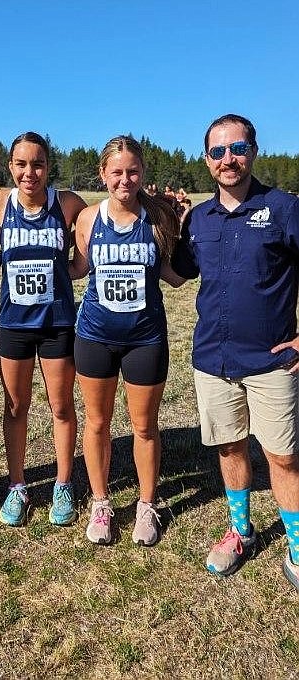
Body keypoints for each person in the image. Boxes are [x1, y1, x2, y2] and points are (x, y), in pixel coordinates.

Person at [170, 113, 299, 590]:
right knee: (230, 446)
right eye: (218, 151)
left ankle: (296, 542)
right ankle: (240, 529)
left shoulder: (284, 208)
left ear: (253, 152)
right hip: (214, 360)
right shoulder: (199, 218)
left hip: (272, 360)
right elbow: (178, 274)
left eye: (237, 148)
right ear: (207, 161)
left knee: (282, 457)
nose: (229, 159)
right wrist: (164, 218)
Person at [70, 135, 179, 545]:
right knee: (97, 422)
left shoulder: (159, 219)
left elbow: (173, 274)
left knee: (144, 426)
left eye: (133, 171)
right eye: (116, 171)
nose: (125, 179)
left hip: (145, 339)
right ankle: (101, 503)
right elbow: (80, 268)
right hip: (95, 336)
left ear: (143, 173)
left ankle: (146, 505)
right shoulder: (87, 220)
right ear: (103, 174)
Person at [0, 131, 86, 527]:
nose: (30, 172)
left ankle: (62, 482)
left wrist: (77, 264)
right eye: (21, 164)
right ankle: (18, 485)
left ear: (48, 166)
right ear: (10, 167)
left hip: (57, 322)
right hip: (13, 324)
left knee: (60, 406)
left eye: (38, 164)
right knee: (15, 406)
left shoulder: (66, 203)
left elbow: (95, 222)